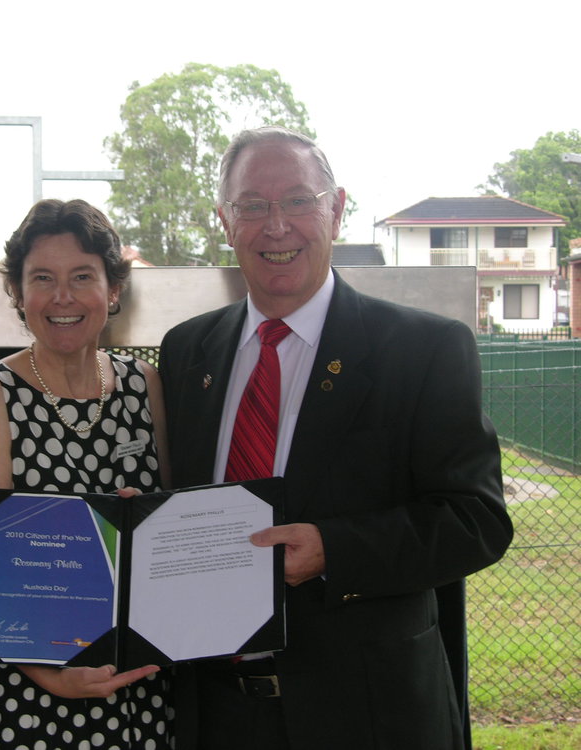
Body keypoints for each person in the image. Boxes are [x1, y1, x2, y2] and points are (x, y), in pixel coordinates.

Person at [158, 127, 513, 750]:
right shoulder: (187, 350)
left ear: (336, 208)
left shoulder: (423, 349)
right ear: (224, 219)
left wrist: (334, 550)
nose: (276, 226)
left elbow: (476, 520)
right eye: (252, 206)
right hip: (214, 714)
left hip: (368, 715)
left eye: (298, 200)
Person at [0, 198, 174, 749]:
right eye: (42, 279)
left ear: (113, 289)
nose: (62, 297)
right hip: (29, 696)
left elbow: (168, 533)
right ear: (18, 294)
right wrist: (52, 676)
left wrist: (144, 526)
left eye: (82, 276)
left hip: (137, 691)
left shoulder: (144, 383)